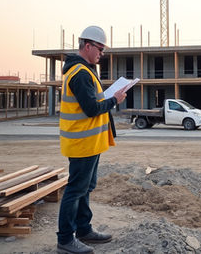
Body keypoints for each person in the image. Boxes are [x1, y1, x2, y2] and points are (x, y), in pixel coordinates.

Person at [57, 25, 126, 254]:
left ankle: (84, 230)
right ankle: (66, 239)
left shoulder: (85, 71)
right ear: (87, 46)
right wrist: (114, 99)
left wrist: (109, 98)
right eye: (100, 49)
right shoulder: (80, 73)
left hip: (90, 143)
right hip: (81, 143)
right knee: (76, 189)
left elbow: (92, 103)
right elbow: (90, 109)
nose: (102, 54)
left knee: (85, 187)